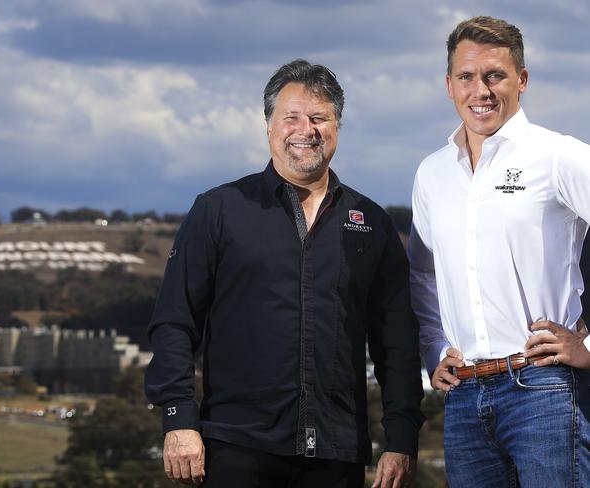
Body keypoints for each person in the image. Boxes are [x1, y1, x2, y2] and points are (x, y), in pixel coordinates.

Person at [145, 59, 424, 488]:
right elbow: (174, 322)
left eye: (319, 118)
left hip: (337, 452)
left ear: (337, 126)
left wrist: (401, 438)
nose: (305, 129)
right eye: (291, 117)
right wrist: (179, 419)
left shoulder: (371, 222)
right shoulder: (219, 210)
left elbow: (398, 343)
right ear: (269, 125)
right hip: (236, 447)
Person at [409, 15, 590, 487]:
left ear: (522, 80)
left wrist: (588, 343)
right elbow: (423, 274)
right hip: (464, 396)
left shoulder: (558, 156)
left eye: (495, 75)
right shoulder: (432, 173)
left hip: (545, 390)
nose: (480, 90)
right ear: (448, 85)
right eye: (467, 77)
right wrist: (433, 348)